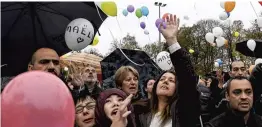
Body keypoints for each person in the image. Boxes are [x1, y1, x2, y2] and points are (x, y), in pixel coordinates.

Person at [140, 14, 200, 127]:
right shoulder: (142, 115)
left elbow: (187, 78)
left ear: (177, 87)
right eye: (162, 79)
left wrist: (171, 40)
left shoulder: (183, 111)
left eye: (171, 80)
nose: (165, 81)